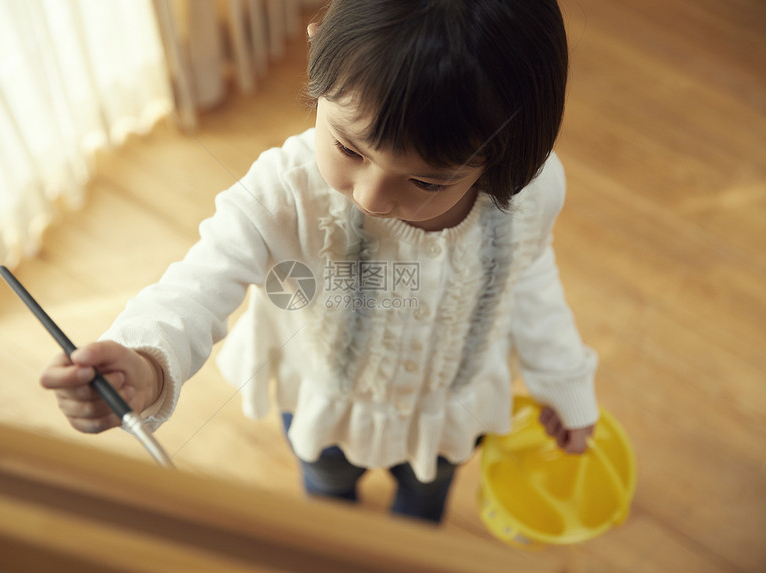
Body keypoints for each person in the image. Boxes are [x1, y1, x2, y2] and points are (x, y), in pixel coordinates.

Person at [40, 0, 599, 525]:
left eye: (428, 180)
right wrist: (145, 359)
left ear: (511, 153)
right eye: (350, 149)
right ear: (317, 47)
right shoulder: (284, 193)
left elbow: (527, 273)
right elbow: (199, 281)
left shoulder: (530, 194)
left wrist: (563, 379)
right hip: (328, 410)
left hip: (451, 414)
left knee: (421, 511)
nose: (372, 198)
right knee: (329, 503)